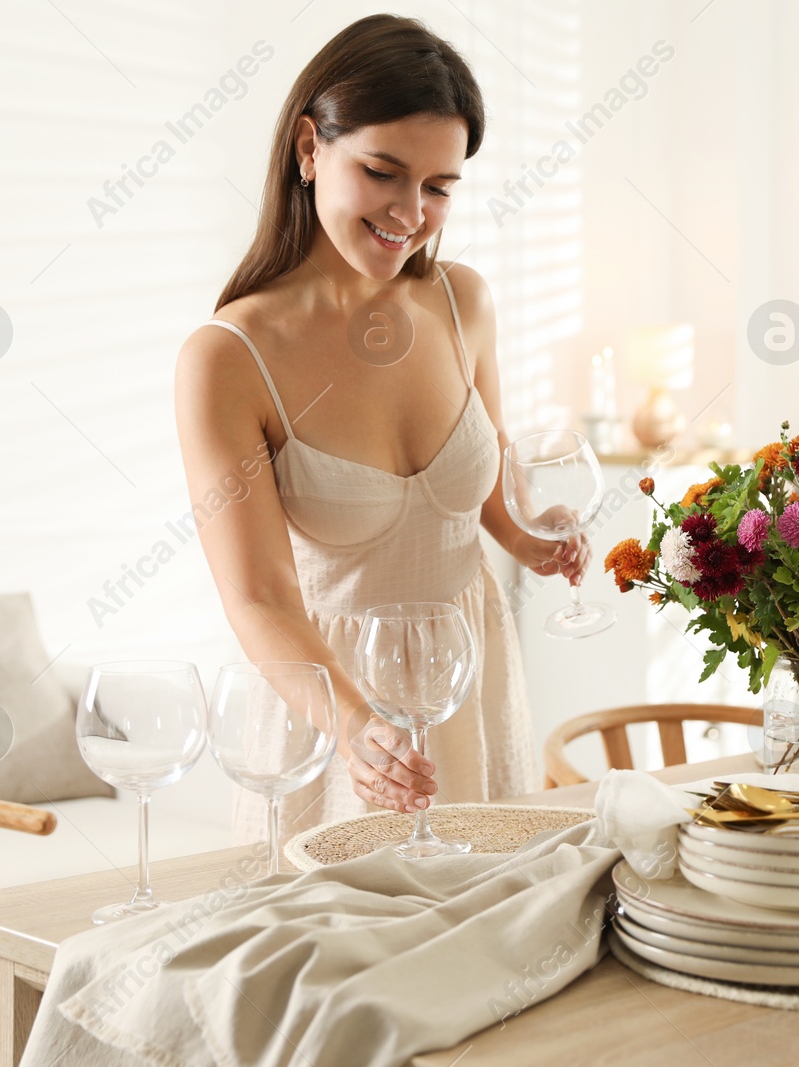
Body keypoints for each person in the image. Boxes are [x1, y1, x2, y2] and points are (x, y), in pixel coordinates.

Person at [174, 14, 587, 840]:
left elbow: (485, 483)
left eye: (439, 187)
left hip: (469, 691)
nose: (411, 212)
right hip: (330, 715)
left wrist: (531, 538)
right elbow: (258, 595)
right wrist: (357, 726)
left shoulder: (461, 303)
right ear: (307, 148)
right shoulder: (228, 358)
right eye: (383, 172)